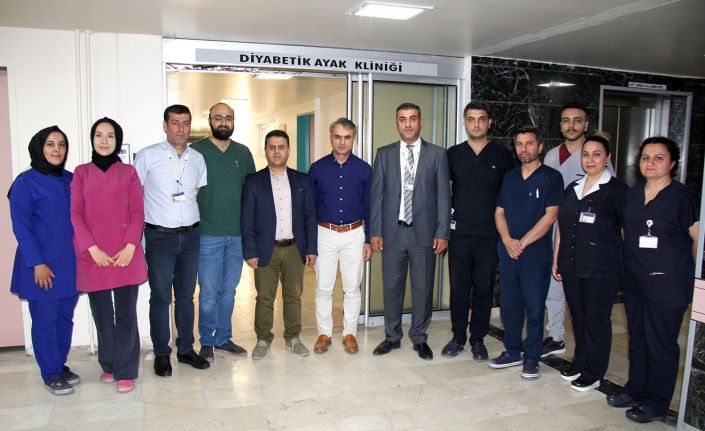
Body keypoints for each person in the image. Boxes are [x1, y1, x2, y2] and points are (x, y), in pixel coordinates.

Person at [606, 137, 699, 424]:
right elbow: (627, 231)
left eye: (659, 158)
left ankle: (656, 402)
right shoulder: (633, 193)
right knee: (638, 339)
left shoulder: (682, 197)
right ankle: (636, 388)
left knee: (661, 344)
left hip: (668, 285)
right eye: (646, 157)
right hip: (636, 282)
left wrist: (693, 277)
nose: (650, 163)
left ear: (672, 163)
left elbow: (698, 239)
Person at [70, 117, 147, 393]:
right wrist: (92, 248)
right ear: (92, 139)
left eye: (110, 136)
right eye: (99, 135)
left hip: (125, 253)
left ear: (118, 140)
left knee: (126, 314)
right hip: (94, 256)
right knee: (102, 315)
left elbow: (137, 212)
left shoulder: (128, 172)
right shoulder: (81, 173)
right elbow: (75, 213)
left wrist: (130, 246)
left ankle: (125, 370)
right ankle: (110, 364)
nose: (104, 141)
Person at [370, 102, 451, 361]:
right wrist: (376, 231)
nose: (407, 124)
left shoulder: (437, 155)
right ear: (397, 123)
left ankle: (419, 337)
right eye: (402, 119)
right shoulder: (384, 154)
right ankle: (392, 337)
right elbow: (377, 197)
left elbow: (444, 197)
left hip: (424, 234)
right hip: (393, 233)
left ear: (421, 122)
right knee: (392, 287)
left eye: (412, 118)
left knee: (423, 289)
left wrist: (442, 232)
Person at [134, 104, 210, 376]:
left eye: (186, 123)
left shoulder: (198, 159)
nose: (181, 128)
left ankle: (186, 349)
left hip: (190, 236)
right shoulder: (147, 156)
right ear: (165, 126)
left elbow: (195, 191)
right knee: (160, 297)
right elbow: (136, 193)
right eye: (175, 123)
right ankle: (161, 353)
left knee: (187, 296)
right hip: (159, 237)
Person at [552, 134, 627, 392]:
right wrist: (557, 258)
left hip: (601, 268)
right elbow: (562, 227)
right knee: (579, 317)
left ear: (607, 158)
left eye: (597, 154)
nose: (590, 159)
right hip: (572, 263)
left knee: (596, 319)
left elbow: (627, 230)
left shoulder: (617, 191)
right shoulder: (573, 188)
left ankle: (593, 371)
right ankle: (580, 361)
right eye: (586, 154)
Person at [9, 126, 80, 395]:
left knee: (64, 318)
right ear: (39, 148)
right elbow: (21, 227)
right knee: (45, 321)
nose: (57, 149)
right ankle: (50, 373)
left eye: (61, 144)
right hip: (41, 266)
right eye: (50, 144)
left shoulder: (71, 180)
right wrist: (37, 263)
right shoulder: (25, 183)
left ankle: (59, 364)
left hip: (69, 263)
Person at [442, 102, 515, 360]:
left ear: (489, 122)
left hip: (489, 235)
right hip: (459, 234)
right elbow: (445, 192)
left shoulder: (502, 155)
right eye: (471, 119)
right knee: (459, 288)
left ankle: (478, 339)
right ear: (465, 122)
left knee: (484, 289)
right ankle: (458, 337)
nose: (476, 124)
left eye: (481, 119)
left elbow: (509, 195)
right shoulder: (453, 154)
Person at [490, 126, 563, 379]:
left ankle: (532, 357)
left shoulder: (551, 178)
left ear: (540, 146)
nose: (524, 148)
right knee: (510, 306)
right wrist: (507, 240)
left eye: (529, 143)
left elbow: (551, 215)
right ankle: (512, 351)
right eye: (519, 144)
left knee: (534, 307)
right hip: (508, 253)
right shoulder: (509, 177)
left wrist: (522, 242)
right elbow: (499, 212)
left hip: (535, 256)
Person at [241, 130, 317, 360]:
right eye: (272, 147)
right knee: (265, 297)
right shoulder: (253, 181)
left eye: (281, 147)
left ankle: (293, 338)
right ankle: (263, 339)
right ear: (265, 150)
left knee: (294, 296)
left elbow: (310, 216)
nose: (276, 151)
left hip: (295, 249)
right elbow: (247, 219)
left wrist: (311, 248)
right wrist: (250, 251)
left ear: (288, 150)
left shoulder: (302, 180)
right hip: (266, 249)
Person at [190, 103, 255, 362]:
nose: (223, 122)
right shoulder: (196, 152)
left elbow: (252, 194)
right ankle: (206, 340)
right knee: (208, 293)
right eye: (218, 118)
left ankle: (223, 338)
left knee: (228, 292)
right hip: (207, 234)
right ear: (210, 120)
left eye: (228, 118)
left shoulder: (243, 153)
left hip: (236, 235)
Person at [309, 118, 372, 354]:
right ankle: (324, 333)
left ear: (353, 139)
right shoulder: (317, 169)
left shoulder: (364, 169)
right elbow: (310, 208)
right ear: (331, 138)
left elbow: (370, 207)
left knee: (352, 287)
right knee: (323, 288)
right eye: (338, 137)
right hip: (324, 233)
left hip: (354, 234)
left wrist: (368, 239)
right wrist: (310, 244)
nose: (342, 142)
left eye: (347, 137)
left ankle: (350, 333)